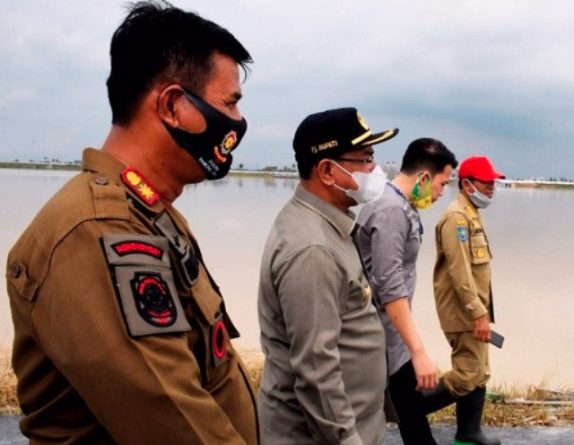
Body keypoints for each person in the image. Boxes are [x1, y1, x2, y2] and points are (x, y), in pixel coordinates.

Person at [5, 2, 258, 443]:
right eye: (230, 103)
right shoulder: (100, 230)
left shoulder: (148, 214)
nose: (237, 123)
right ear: (174, 105)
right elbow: (174, 422)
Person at [258, 107, 396, 445]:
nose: (374, 169)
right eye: (364, 159)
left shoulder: (331, 224)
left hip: (355, 425)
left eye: (373, 156)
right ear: (327, 171)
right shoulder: (312, 248)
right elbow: (317, 371)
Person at [356, 138, 458, 444]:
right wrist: (419, 352)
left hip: (391, 337)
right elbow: (390, 287)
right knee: (408, 420)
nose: (442, 193)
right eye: (442, 183)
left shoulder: (399, 205)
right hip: (382, 339)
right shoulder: (391, 211)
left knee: (409, 418)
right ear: (424, 178)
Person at [431, 155, 505, 445]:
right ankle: (409, 410)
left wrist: (482, 312)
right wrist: (477, 313)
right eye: (486, 184)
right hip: (463, 313)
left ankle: (469, 432)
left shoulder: (471, 213)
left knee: (480, 372)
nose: (491, 189)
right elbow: (460, 273)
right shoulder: (456, 218)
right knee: (466, 375)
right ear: (466, 184)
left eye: (493, 184)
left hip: (476, 311)